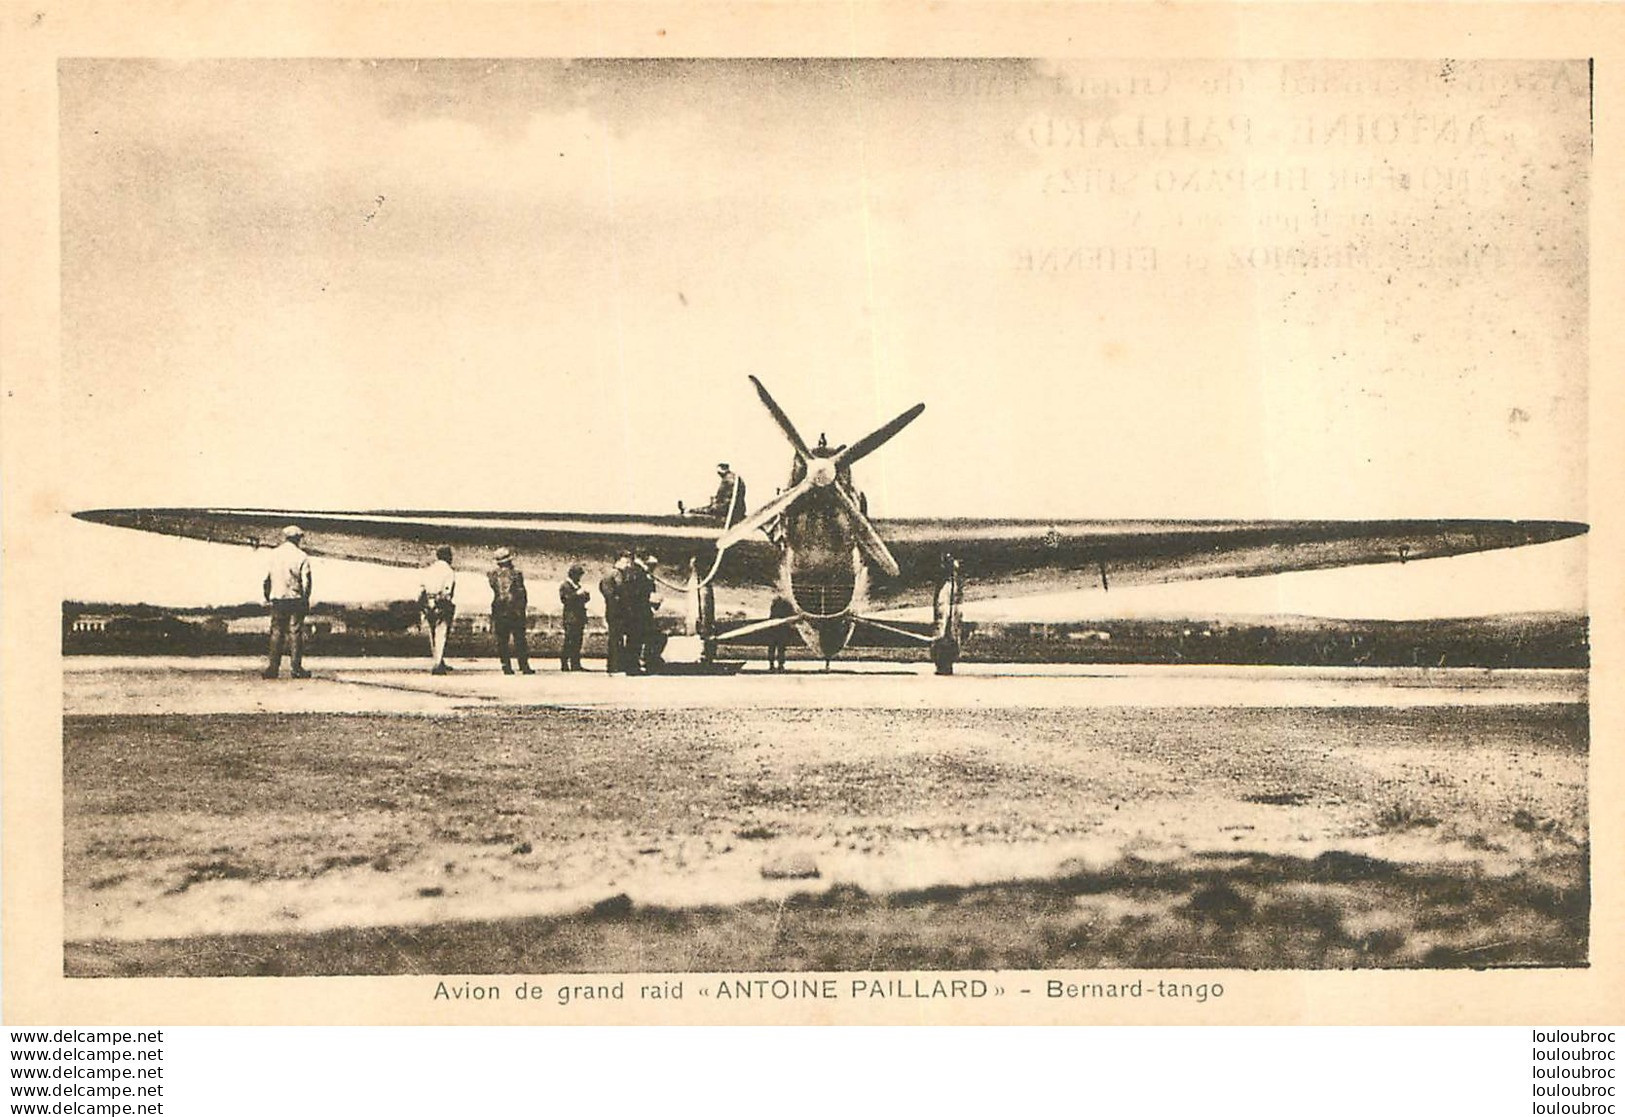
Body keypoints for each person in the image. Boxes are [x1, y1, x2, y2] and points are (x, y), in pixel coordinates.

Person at [262, 525, 312, 679]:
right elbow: (307, 581)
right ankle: (296, 668)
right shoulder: (302, 556)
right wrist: (305, 599)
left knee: (276, 632)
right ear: (297, 538)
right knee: (295, 633)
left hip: (278, 598)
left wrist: (268, 596)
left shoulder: (274, 555)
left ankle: (272, 668)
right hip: (295, 598)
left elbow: (267, 579)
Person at [488, 547, 533, 675]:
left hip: (499, 609)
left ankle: (506, 666)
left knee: (502, 640)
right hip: (515, 610)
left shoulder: (492, 575)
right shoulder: (517, 574)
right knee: (520, 639)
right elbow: (521, 593)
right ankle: (524, 666)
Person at [419, 545, 457, 675]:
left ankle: (438, 660)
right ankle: (438, 664)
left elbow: (422, 588)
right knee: (442, 633)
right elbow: (447, 590)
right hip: (441, 603)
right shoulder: (448, 571)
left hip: (428, 602)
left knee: (432, 633)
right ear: (447, 556)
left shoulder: (429, 569)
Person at [599, 552, 632, 673]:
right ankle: (617, 664)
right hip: (619, 610)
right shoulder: (618, 574)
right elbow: (622, 589)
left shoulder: (607, 574)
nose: (627, 565)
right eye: (625, 562)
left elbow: (602, 589)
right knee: (617, 638)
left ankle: (612, 664)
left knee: (614, 638)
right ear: (618, 562)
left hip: (610, 609)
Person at [686, 462, 747, 527]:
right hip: (737, 508)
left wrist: (715, 503)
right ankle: (690, 510)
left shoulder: (727, 480)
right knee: (709, 508)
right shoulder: (734, 477)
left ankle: (689, 510)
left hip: (727, 509)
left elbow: (724, 500)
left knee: (707, 509)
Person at [558, 563, 590, 672]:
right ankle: (564, 663)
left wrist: (584, 595)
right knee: (569, 641)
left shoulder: (577, 585)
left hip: (579, 617)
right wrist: (578, 594)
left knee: (577, 641)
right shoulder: (565, 586)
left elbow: (585, 598)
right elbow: (566, 600)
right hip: (571, 617)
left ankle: (575, 663)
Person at [766, 595, 795, 672]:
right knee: (780, 648)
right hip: (782, 630)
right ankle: (779, 665)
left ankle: (772, 665)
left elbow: (771, 616)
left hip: (774, 628)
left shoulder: (775, 604)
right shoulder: (787, 603)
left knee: (773, 648)